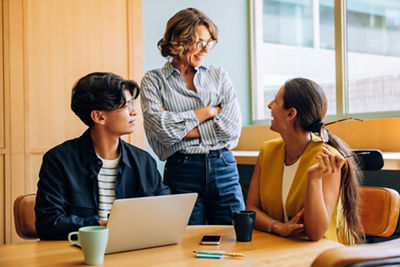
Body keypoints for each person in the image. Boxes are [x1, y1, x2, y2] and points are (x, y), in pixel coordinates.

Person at [140, 8, 245, 225]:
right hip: (182, 170)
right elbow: (162, 131)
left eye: (209, 43)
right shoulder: (153, 81)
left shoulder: (219, 75)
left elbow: (232, 127)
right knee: (185, 243)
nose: (206, 49)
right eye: (199, 42)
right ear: (179, 41)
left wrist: (177, 122)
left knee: (234, 237)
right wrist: (208, 112)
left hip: (223, 164)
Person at [35, 72, 170, 240]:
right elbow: (48, 223)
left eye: (132, 104)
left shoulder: (144, 161)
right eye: (126, 106)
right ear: (99, 116)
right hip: (81, 252)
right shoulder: (58, 160)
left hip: (133, 251)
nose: (134, 112)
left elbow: (166, 211)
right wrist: (101, 225)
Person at [246, 78, 364, 245]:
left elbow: (315, 233)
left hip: (324, 255)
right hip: (281, 247)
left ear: (291, 114)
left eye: (276, 101)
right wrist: (278, 227)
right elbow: (251, 209)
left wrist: (314, 179)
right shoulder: (267, 151)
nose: (270, 105)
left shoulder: (327, 158)